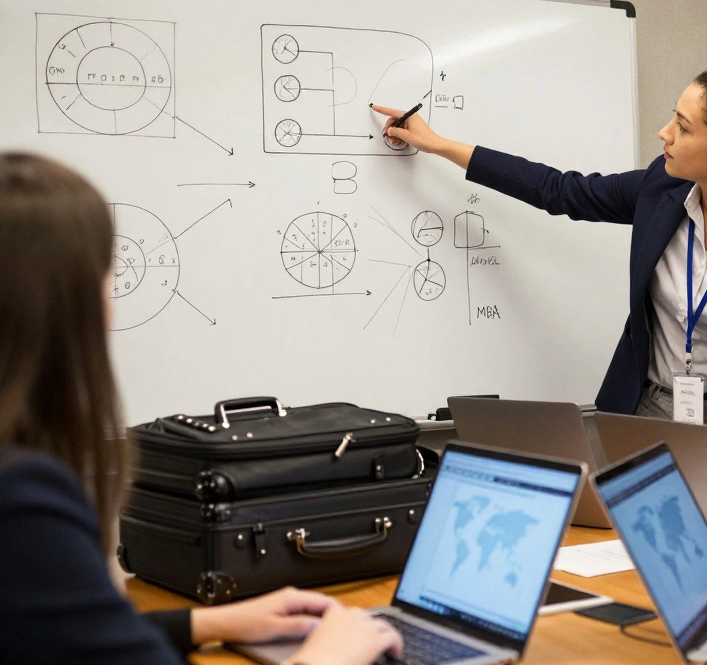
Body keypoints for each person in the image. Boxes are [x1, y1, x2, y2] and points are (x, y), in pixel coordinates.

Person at [374, 66, 707, 521]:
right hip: (647, 423)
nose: (664, 134)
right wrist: (438, 145)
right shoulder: (661, 188)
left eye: (682, 126)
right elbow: (558, 190)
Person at [0, 153, 404, 665]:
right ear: (66, 300)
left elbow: (50, 632)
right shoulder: (20, 499)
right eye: (108, 274)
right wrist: (325, 658)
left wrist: (207, 622)